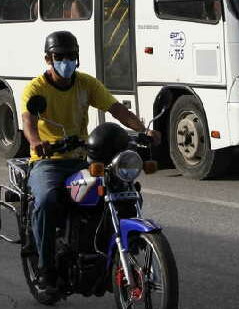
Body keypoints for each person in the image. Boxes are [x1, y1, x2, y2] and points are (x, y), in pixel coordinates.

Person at [21, 31, 160, 294]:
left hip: (82, 159)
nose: (65, 61)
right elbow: (28, 120)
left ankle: (114, 248)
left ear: (77, 58)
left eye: (70, 56)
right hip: (48, 161)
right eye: (59, 57)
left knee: (119, 189)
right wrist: (36, 142)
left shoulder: (86, 83)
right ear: (48, 59)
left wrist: (144, 131)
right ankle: (46, 269)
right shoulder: (36, 88)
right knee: (48, 200)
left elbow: (117, 110)